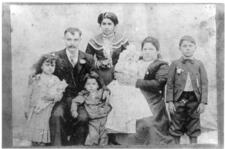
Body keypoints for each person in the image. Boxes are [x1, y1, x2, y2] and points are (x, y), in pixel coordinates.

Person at [49, 27, 108, 146]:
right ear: (64, 40)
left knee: (83, 118)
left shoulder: (88, 58)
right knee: (57, 116)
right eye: (69, 39)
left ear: (80, 40)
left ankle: (76, 146)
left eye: (75, 40)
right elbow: (45, 73)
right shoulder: (55, 56)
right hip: (62, 98)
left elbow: (96, 76)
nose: (72, 43)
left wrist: (105, 89)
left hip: (81, 99)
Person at [166, 35, 208, 144]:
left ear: (195, 48)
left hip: (194, 99)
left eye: (190, 46)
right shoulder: (175, 64)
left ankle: (193, 145)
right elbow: (170, 84)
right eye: (184, 46)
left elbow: (204, 84)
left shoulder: (199, 64)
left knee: (194, 124)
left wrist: (202, 102)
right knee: (176, 123)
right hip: (178, 98)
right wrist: (170, 101)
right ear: (180, 48)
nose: (187, 48)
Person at [105, 44, 152, 136]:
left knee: (132, 105)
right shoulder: (120, 65)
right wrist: (124, 78)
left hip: (131, 87)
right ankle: (117, 127)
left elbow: (137, 77)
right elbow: (118, 76)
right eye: (128, 57)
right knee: (119, 104)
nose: (130, 58)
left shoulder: (135, 66)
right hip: (119, 86)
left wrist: (132, 79)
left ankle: (130, 126)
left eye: (132, 57)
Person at [135, 36, 174, 145]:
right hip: (134, 98)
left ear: (157, 51)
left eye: (151, 49)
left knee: (149, 124)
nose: (147, 52)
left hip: (153, 100)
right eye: (145, 49)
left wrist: (136, 82)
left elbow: (158, 84)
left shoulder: (161, 65)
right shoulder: (136, 62)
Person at [23, 54, 67, 146]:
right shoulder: (36, 78)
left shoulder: (56, 80)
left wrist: (53, 97)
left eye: (52, 65)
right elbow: (29, 94)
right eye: (47, 65)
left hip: (47, 107)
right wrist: (26, 108)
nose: (50, 68)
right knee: (34, 126)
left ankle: (42, 142)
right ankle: (35, 142)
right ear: (41, 66)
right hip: (35, 107)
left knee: (43, 125)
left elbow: (60, 94)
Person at [86, 12, 129, 85]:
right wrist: (98, 64)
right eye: (104, 24)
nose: (106, 27)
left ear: (115, 26)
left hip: (119, 72)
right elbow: (87, 59)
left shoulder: (122, 40)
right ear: (100, 25)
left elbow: (129, 58)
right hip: (101, 73)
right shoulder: (94, 41)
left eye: (109, 24)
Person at [71, 72, 112, 146]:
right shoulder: (84, 95)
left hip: (104, 119)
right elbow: (74, 101)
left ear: (98, 85)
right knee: (93, 137)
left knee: (104, 137)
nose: (91, 86)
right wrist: (74, 111)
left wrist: (107, 94)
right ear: (84, 86)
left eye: (93, 84)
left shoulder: (101, 92)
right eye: (88, 84)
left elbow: (108, 101)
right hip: (93, 121)